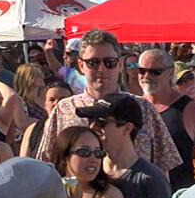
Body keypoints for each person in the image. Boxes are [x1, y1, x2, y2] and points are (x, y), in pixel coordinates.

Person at [35, 31, 182, 176]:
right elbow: (47, 164)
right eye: (93, 63)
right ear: (81, 65)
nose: (102, 69)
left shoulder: (143, 108)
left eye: (109, 62)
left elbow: (163, 169)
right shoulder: (64, 109)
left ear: (119, 65)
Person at [133, 48, 195, 191]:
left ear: (170, 73)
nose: (146, 76)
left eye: (155, 72)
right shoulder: (133, 108)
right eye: (142, 71)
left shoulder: (192, 111)